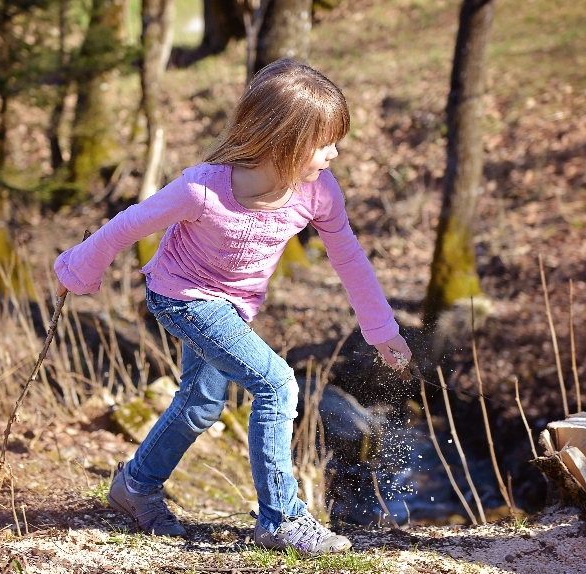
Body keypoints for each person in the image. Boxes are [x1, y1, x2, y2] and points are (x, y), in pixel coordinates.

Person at [54, 58, 412, 556]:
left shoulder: (317, 193)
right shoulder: (203, 187)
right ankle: (282, 518)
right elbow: (127, 225)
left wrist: (381, 329)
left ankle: (134, 487)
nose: (333, 154)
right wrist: (77, 270)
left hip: (234, 306)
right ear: (283, 140)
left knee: (201, 406)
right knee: (277, 383)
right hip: (182, 296)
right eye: (324, 142)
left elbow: (348, 257)